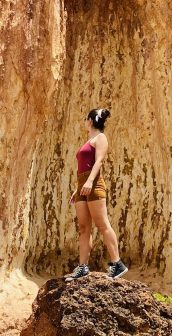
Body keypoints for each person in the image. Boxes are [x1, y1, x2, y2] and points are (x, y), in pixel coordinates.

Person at [64, 108, 128, 281]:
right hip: (82, 185)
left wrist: (90, 181)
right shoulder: (89, 140)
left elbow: (99, 161)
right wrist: (78, 189)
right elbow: (84, 165)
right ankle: (83, 267)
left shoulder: (101, 138)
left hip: (94, 183)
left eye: (86, 119)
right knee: (84, 228)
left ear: (90, 121)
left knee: (102, 224)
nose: (85, 122)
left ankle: (117, 264)